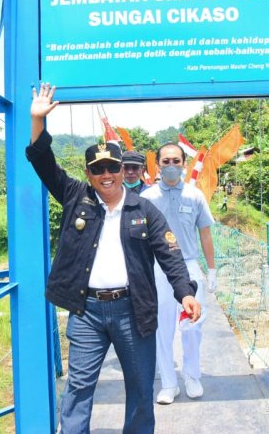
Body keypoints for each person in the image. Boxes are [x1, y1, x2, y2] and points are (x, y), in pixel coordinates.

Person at [25, 83, 201, 434]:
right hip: (86, 310)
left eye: (112, 169)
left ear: (123, 171)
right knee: (78, 387)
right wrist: (37, 120)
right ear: (88, 173)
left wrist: (186, 292)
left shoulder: (144, 209)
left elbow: (170, 254)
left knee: (139, 389)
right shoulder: (76, 196)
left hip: (132, 311)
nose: (106, 176)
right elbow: (43, 163)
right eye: (98, 170)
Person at [142, 142, 217, 405]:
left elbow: (205, 234)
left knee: (192, 325)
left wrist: (212, 269)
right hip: (158, 270)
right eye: (166, 161)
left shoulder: (195, 196)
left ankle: (192, 376)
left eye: (176, 161)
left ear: (184, 164)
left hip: (189, 266)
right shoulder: (147, 198)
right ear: (158, 165)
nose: (171, 166)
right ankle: (169, 383)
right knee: (162, 328)